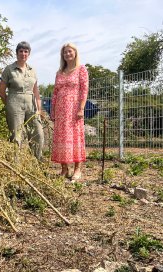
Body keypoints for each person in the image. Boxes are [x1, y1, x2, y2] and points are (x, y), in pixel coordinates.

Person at [0, 41, 44, 160]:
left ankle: (37, 163)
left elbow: (36, 92)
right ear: (17, 53)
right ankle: (16, 165)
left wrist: (39, 110)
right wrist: (9, 105)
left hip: (31, 105)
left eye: (26, 51)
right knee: (16, 136)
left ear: (29, 54)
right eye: (21, 51)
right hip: (14, 103)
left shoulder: (32, 70)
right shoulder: (9, 69)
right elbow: (1, 92)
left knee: (38, 134)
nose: (23, 53)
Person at [50, 43, 89, 180]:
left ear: (75, 53)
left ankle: (77, 169)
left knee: (75, 137)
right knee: (61, 138)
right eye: (65, 52)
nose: (67, 54)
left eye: (69, 51)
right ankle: (65, 169)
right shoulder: (59, 73)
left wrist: (81, 108)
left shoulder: (81, 70)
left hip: (74, 109)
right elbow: (54, 93)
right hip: (60, 110)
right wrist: (52, 110)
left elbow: (84, 90)